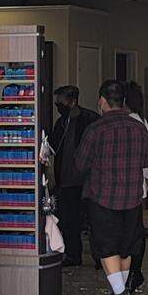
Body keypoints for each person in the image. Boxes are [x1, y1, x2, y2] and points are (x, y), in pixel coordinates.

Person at [75, 79, 148, 295]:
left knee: (106, 245)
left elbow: (80, 164)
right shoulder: (138, 127)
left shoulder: (96, 129)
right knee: (126, 246)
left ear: (102, 101)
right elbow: (146, 161)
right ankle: (120, 290)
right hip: (132, 197)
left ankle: (119, 292)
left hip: (103, 196)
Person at [51, 85, 98, 268]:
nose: (58, 105)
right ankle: (72, 255)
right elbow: (55, 147)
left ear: (72, 101)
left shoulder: (90, 120)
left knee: (92, 220)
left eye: (61, 101)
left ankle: (99, 257)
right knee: (69, 220)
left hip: (86, 180)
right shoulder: (61, 122)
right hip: (66, 180)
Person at [124, 80, 148, 294]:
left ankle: (132, 273)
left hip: (126, 185)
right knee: (136, 231)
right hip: (138, 185)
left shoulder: (128, 122)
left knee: (129, 232)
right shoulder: (142, 122)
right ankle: (135, 271)